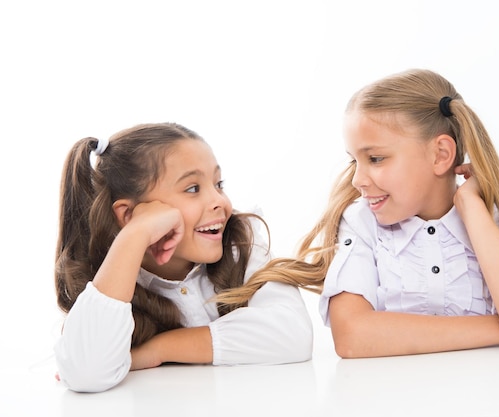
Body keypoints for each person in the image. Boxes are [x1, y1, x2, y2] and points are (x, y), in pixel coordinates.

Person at [219, 69, 499, 358]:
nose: (358, 179)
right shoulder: (361, 223)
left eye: (375, 158)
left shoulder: (495, 222)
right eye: (355, 160)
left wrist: (471, 208)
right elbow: (353, 337)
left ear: (440, 154)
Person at [54, 122, 313, 393]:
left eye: (218, 184)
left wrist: (159, 349)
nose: (220, 202)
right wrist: (135, 234)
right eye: (192, 188)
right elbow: (86, 374)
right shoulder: (108, 279)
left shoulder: (241, 242)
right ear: (129, 215)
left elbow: (293, 334)